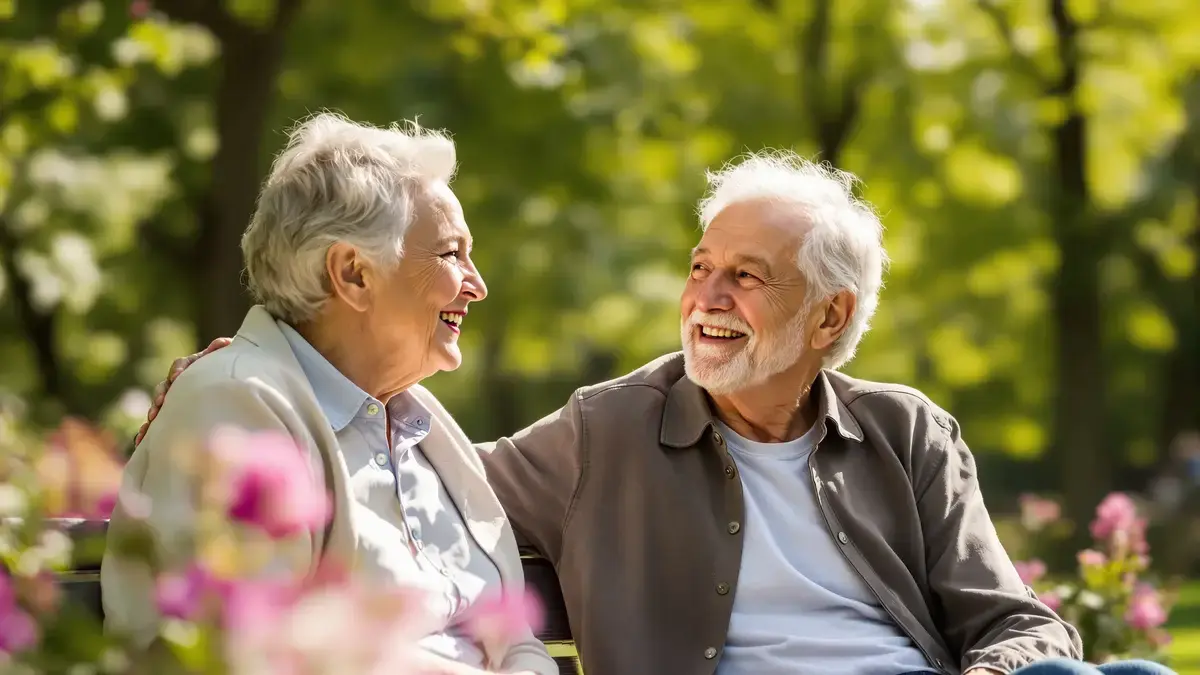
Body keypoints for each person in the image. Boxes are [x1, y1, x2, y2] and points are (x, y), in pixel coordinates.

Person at [141, 152, 1176, 675]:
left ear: (831, 317)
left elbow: (1017, 625)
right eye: (700, 269)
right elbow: (425, 486)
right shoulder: (609, 430)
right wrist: (259, 385)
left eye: (747, 279)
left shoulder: (906, 434)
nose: (707, 299)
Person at [103, 113, 556, 675]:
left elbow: (515, 640)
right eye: (450, 254)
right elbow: (246, 655)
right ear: (354, 274)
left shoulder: (422, 425)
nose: (477, 283)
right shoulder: (235, 404)